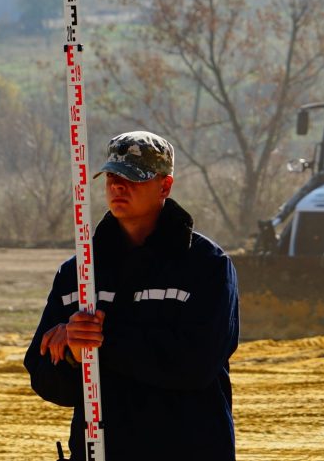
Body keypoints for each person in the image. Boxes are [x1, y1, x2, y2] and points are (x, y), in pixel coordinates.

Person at [24, 131, 239, 461]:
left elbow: (195, 366)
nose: (118, 186)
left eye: (133, 177)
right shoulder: (78, 273)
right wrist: (74, 358)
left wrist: (102, 341)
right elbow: (43, 376)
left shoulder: (206, 266)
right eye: (112, 176)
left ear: (165, 186)